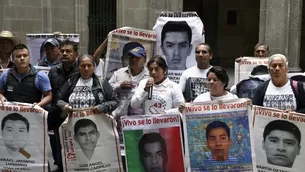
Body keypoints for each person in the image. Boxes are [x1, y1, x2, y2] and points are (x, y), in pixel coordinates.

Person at [48, 40, 80, 172]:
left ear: (76, 54)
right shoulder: (54, 71)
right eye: (62, 51)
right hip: (58, 117)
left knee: (76, 150)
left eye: (68, 51)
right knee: (59, 150)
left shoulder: (82, 69)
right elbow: (50, 94)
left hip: (76, 116)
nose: (64, 54)